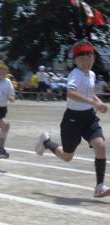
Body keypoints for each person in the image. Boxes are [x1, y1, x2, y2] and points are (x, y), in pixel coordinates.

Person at [35, 40, 110, 198]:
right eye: (81, 59)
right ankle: (46, 142)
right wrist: (93, 102)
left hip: (89, 117)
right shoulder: (75, 74)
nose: (86, 62)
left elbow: (88, 92)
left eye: (89, 57)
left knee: (100, 145)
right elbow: (72, 93)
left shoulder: (92, 74)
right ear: (75, 61)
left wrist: (97, 102)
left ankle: (99, 186)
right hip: (72, 120)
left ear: (94, 58)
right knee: (67, 156)